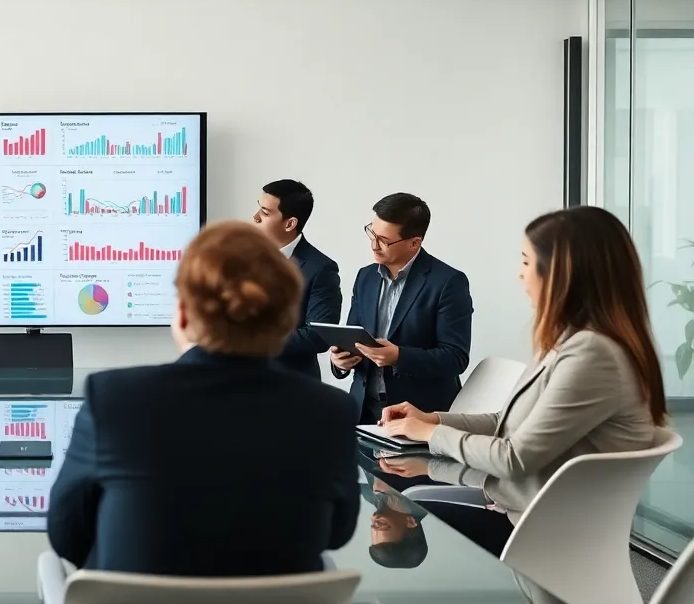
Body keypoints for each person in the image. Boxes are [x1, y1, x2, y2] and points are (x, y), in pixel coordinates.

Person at [47, 221, 359, 576]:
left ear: (181, 314)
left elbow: (67, 534)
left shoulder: (113, 399)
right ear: (285, 321)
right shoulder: (331, 412)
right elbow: (336, 533)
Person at [378, 206, 665, 556]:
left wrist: (430, 435)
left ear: (563, 273)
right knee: (406, 502)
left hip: (542, 527)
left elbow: (514, 459)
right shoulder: (571, 342)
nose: (519, 274)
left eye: (527, 262)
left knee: (404, 517)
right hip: (520, 506)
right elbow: (504, 423)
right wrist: (432, 419)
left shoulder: (593, 355)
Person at [330, 193, 473, 423]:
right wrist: (340, 362)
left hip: (419, 415)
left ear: (414, 242)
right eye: (372, 233)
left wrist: (399, 356)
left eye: (384, 240)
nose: (374, 245)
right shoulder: (365, 276)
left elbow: (456, 358)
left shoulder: (448, 282)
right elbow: (354, 337)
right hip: (364, 412)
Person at [251, 178, 342, 378]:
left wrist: (256, 340)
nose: (255, 217)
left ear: (290, 223)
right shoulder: (244, 256)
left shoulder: (321, 268)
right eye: (259, 209)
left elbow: (318, 335)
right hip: (240, 384)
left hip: (291, 386)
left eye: (265, 213)